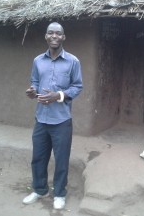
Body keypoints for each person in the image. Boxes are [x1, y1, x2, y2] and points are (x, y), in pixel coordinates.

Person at [23, 22, 83, 210]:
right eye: (51, 33)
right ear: (46, 36)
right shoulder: (38, 61)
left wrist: (58, 95)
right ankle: (40, 189)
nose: (54, 36)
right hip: (41, 118)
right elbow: (34, 81)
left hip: (62, 120)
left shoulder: (73, 61)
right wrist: (33, 90)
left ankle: (59, 193)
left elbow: (77, 86)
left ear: (63, 37)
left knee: (61, 158)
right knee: (38, 157)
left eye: (58, 33)